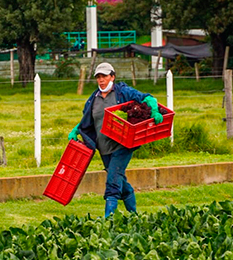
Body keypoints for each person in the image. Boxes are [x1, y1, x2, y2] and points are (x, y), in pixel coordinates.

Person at [68, 62, 163, 218]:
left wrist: (153, 109)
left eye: (104, 76)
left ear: (112, 76)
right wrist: (76, 130)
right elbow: (87, 119)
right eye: (98, 77)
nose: (101, 80)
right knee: (119, 179)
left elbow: (146, 98)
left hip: (122, 145)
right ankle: (134, 215)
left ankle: (109, 220)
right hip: (103, 147)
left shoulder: (122, 92)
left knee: (113, 181)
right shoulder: (94, 98)